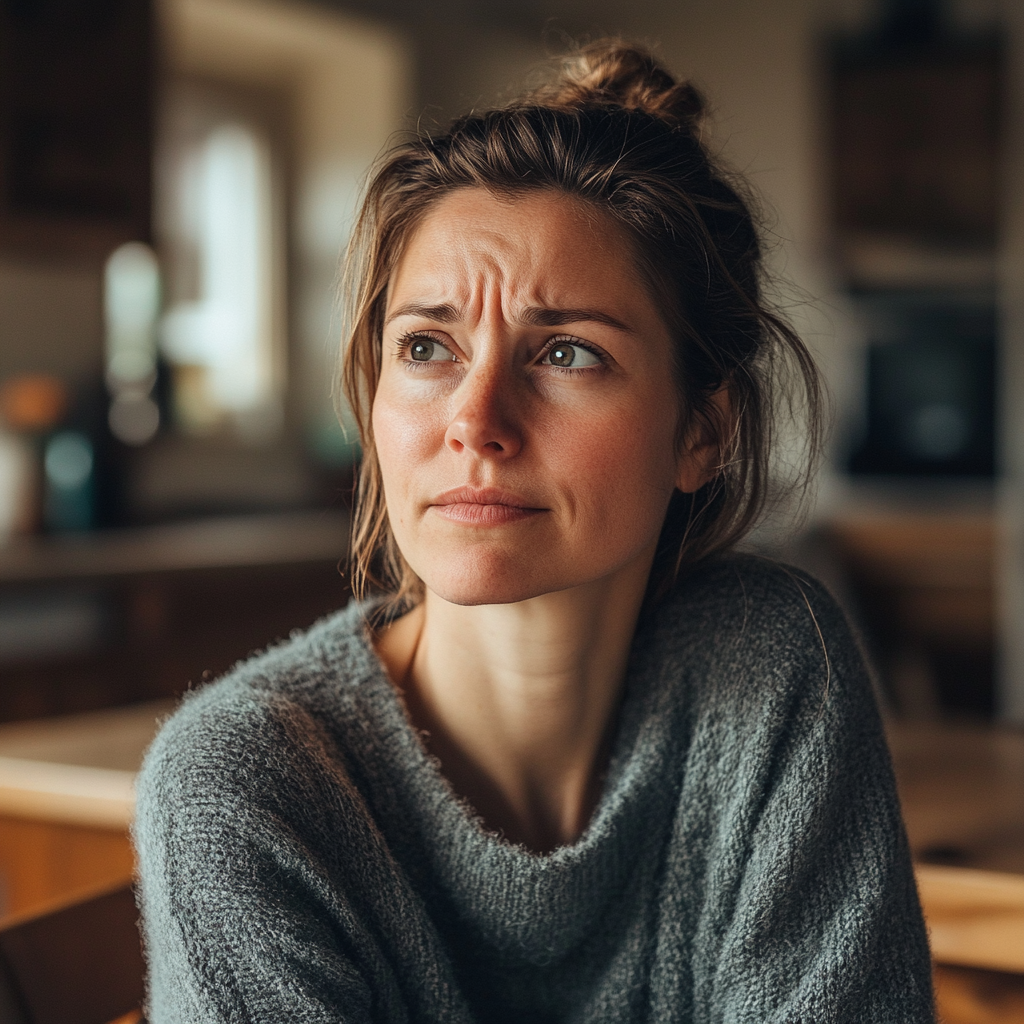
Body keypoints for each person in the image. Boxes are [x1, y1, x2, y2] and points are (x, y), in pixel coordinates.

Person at [134, 40, 935, 1023]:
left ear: (702, 431)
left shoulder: (770, 666)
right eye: (426, 346)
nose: (475, 419)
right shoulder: (243, 780)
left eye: (565, 351)